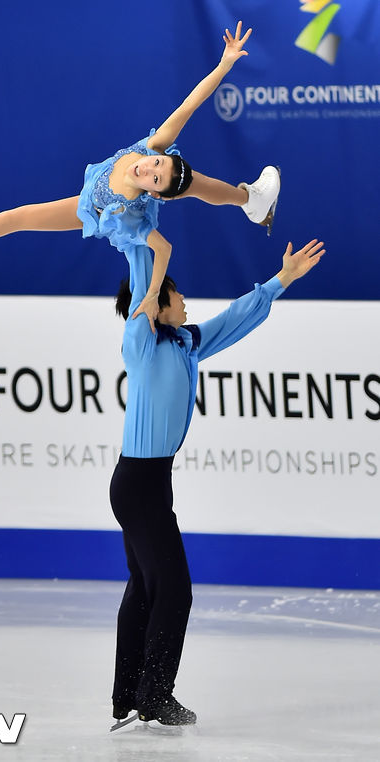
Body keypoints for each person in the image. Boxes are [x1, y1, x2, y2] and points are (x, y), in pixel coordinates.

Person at [0, 22, 280, 330]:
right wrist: (224, 64)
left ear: (152, 194)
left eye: (155, 177)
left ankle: (250, 199)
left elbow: (165, 248)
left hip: (96, 210)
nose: (149, 167)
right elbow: (190, 104)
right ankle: (251, 199)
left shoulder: (127, 212)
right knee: (191, 181)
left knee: (15, 221)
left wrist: (154, 294)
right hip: (99, 194)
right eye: (157, 164)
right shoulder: (152, 151)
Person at [109, 237, 325, 729]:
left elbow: (234, 320)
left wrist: (281, 280)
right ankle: (155, 696)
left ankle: (129, 695)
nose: (185, 299)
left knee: (146, 586)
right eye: (176, 294)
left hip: (146, 483)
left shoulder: (186, 343)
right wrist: (140, 234)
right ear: (158, 304)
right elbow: (144, 283)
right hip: (139, 484)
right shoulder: (141, 345)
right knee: (174, 590)